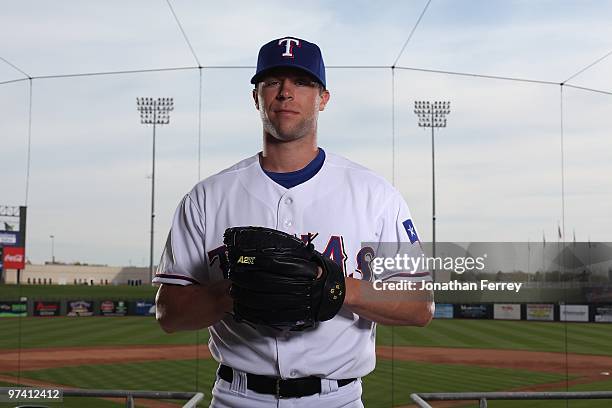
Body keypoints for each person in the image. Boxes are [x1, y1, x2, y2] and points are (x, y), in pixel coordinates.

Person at [154, 36, 434, 408]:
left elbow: (419, 305)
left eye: (302, 82)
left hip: (337, 399)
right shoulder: (207, 197)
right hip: (236, 397)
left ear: (323, 98)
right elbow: (168, 313)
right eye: (273, 82)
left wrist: (334, 287)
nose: (286, 93)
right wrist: (232, 293)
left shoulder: (376, 194)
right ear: (256, 97)